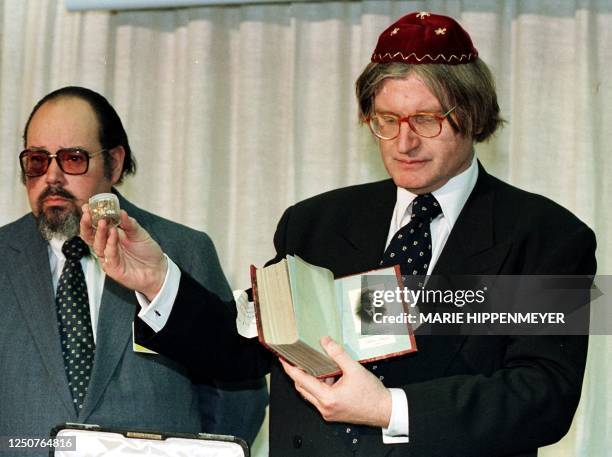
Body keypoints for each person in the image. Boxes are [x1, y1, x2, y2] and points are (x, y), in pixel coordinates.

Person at [85, 12, 597, 457]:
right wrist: (156, 281)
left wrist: (390, 408)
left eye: (426, 119)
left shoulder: (549, 237)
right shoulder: (313, 224)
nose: (404, 141)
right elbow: (245, 352)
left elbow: (543, 394)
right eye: (387, 119)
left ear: (473, 114)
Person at [0, 86, 267, 453]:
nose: (52, 177)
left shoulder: (182, 251)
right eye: (37, 160)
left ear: (114, 163)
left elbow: (239, 392)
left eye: (73, 158)